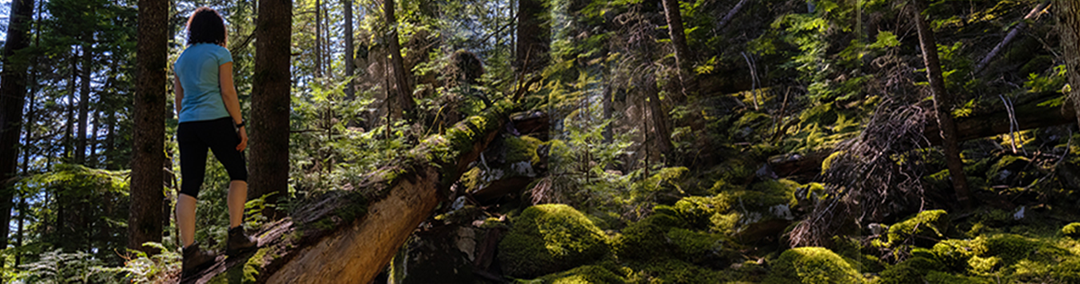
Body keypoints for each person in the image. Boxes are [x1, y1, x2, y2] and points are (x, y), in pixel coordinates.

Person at [173, 7, 256, 274]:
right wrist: (240, 125)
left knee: (189, 186)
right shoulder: (220, 53)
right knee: (238, 172)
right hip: (216, 120)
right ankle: (236, 236)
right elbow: (228, 92)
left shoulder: (182, 59)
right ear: (218, 30)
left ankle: (190, 253)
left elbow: (178, 101)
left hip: (187, 125)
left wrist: (188, 119)